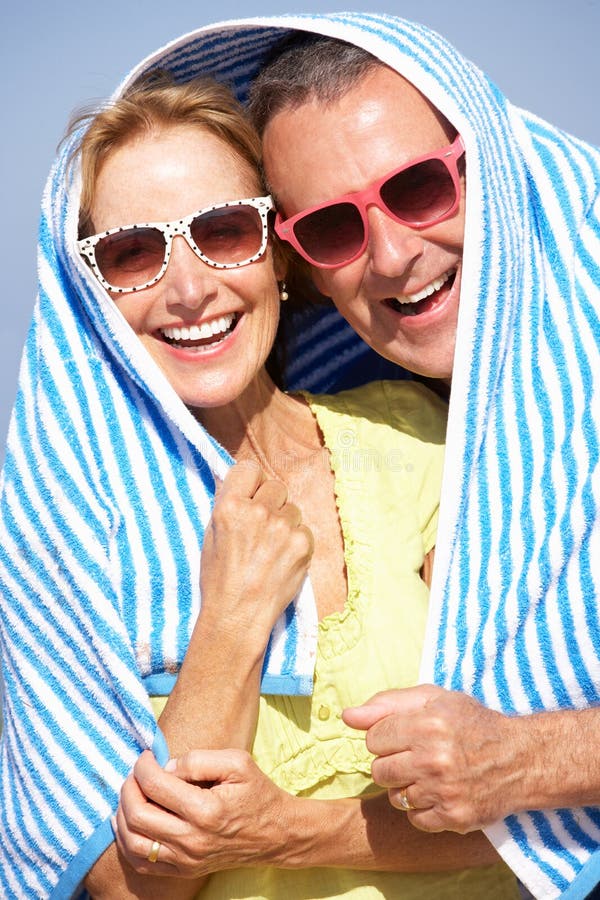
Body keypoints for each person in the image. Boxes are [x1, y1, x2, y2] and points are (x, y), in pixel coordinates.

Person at [103, 13, 599, 900]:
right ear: (301, 261)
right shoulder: (460, 447)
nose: (395, 254)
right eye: (332, 227)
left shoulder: (418, 445)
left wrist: (531, 758)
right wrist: (229, 622)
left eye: (418, 188)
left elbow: (503, 783)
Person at [0, 67, 520, 900]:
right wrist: (232, 623)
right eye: (133, 253)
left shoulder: (421, 438)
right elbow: (126, 887)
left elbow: (545, 812)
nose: (190, 288)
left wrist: (293, 830)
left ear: (278, 250)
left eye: (225, 231)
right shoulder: (69, 530)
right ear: (92, 294)